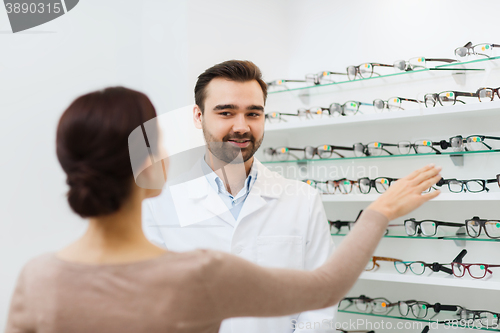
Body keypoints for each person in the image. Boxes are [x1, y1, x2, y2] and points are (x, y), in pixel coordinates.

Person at [5, 86, 442, 333]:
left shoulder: (38, 279)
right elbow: (325, 287)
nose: (241, 125)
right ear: (151, 164)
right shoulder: (196, 275)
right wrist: (378, 212)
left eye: (254, 112)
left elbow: (318, 308)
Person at [142, 60, 337, 333]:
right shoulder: (159, 205)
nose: (242, 127)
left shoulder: (303, 200)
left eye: (253, 114)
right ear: (198, 117)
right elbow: (152, 304)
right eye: (226, 113)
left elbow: (321, 298)